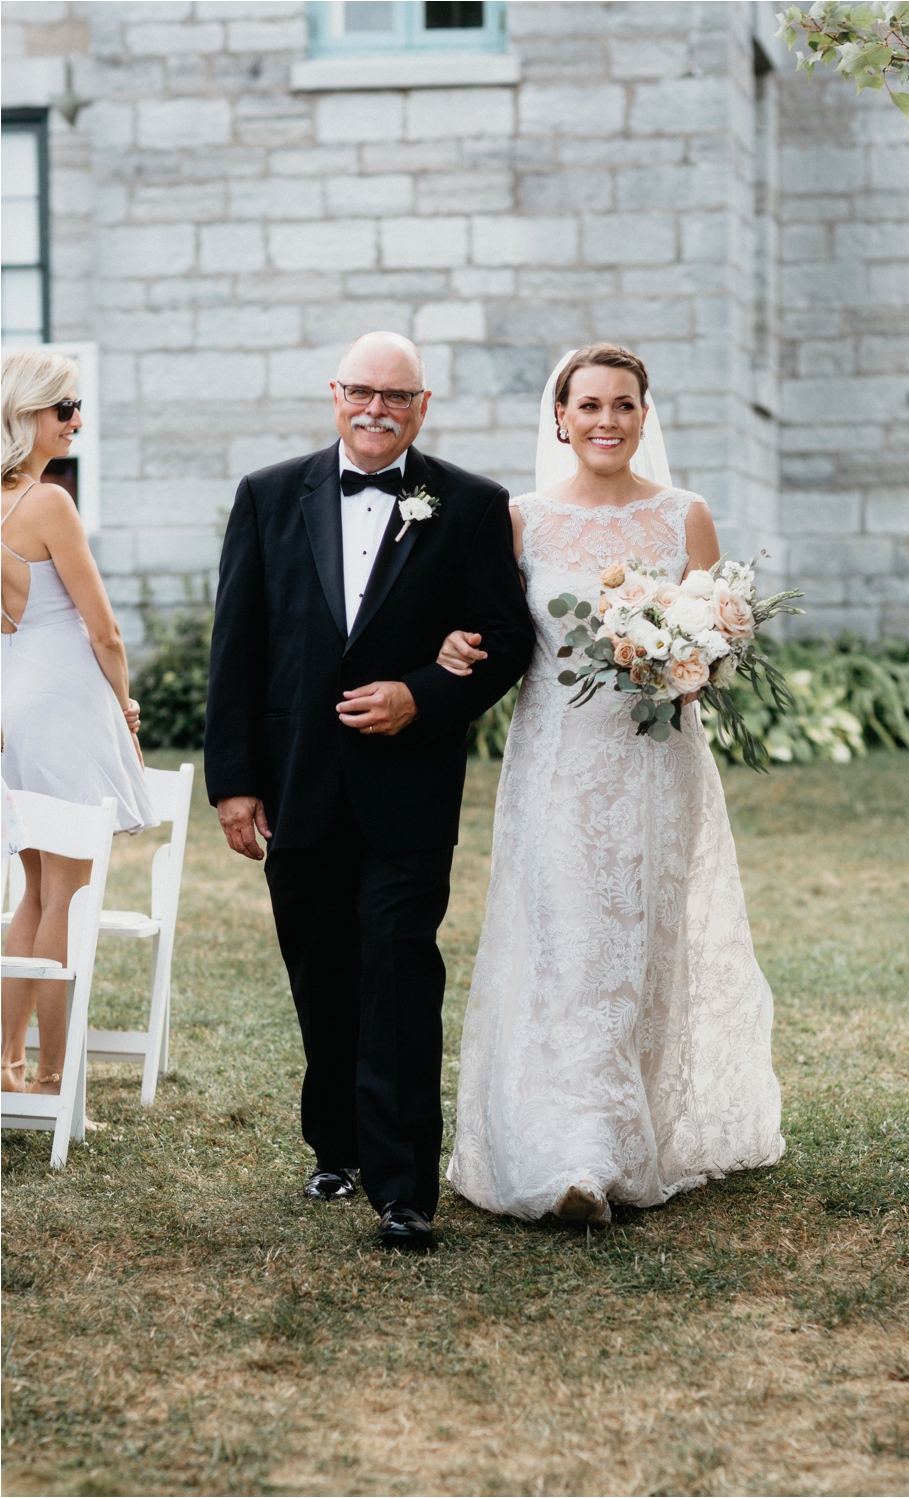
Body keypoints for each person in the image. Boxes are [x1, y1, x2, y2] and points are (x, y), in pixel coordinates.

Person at [204, 331, 535, 1251]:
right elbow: (238, 646)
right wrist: (232, 784)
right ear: (336, 393)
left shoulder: (468, 505)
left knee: (398, 969)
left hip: (407, 795)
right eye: (362, 391)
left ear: (423, 406)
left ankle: (403, 1190)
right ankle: (336, 1143)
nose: (377, 408)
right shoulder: (269, 495)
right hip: (297, 784)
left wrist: (419, 695)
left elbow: (504, 641)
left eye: (397, 396)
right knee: (320, 972)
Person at [444, 345, 784, 1226]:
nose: (605, 420)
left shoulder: (685, 519)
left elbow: (720, 649)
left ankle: (633, 1134)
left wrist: (685, 656)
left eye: (622, 405)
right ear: (560, 418)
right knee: (568, 951)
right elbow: (486, 634)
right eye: (588, 404)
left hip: (656, 765)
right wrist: (449, 650)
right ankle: (573, 1156)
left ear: (644, 415)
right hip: (557, 768)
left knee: (640, 949)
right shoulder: (521, 521)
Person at [1, 348, 156, 1096]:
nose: (76, 421)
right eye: (65, 408)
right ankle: (55, 1079)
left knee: (33, 889)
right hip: (65, 707)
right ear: (27, 412)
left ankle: (8, 1067)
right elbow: (105, 633)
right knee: (66, 893)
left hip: (17, 708)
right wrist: (124, 706)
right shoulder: (48, 503)